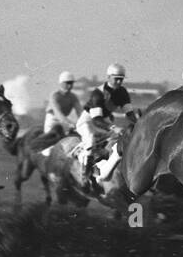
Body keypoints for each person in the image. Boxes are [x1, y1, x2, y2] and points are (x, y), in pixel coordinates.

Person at [75, 63, 140, 193]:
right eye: (116, 78)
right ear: (108, 77)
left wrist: (140, 123)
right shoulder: (98, 94)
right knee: (91, 140)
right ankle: (84, 177)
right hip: (88, 121)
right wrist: (113, 127)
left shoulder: (122, 92)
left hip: (104, 120)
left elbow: (129, 114)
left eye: (121, 78)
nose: (119, 81)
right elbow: (96, 120)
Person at [44, 71, 82, 138]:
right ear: (61, 83)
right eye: (67, 83)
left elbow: (80, 112)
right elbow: (58, 113)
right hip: (52, 120)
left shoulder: (73, 97)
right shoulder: (55, 95)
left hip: (65, 121)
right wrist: (70, 124)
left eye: (71, 83)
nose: (70, 86)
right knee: (50, 140)